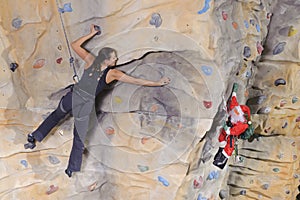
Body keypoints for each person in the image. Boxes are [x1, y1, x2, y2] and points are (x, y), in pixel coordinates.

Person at [24, 24, 171, 177]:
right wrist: (157, 82)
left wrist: (91, 34)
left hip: (74, 97)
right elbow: (134, 81)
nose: (117, 59)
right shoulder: (112, 73)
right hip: (85, 104)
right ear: (107, 60)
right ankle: (71, 168)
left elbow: (75, 45)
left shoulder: (91, 61)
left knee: (56, 116)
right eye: (114, 57)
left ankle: (34, 137)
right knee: (78, 136)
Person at [213, 83, 252, 169]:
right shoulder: (236, 108)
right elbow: (233, 100)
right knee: (222, 138)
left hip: (233, 132)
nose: (235, 111)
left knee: (230, 146)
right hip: (229, 126)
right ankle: (220, 152)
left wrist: (226, 127)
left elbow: (232, 131)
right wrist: (234, 91)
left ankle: (222, 161)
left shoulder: (243, 125)